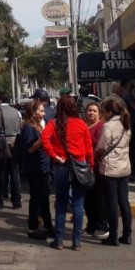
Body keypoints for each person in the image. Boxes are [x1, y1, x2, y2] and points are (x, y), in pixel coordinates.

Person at [41, 94, 94, 251]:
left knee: (61, 203)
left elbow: (44, 140)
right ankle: (76, 241)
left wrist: (55, 155)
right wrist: (90, 165)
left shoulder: (53, 123)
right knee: (78, 203)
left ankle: (59, 240)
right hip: (79, 165)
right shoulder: (81, 124)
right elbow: (88, 147)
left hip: (62, 165)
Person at [97, 98, 132, 246]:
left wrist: (96, 156)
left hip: (110, 169)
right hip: (124, 167)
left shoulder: (108, 126)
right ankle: (127, 234)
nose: (101, 114)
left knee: (111, 203)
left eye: (103, 112)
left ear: (109, 112)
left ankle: (113, 236)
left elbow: (102, 147)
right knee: (124, 202)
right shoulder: (126, 124)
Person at [20, 99, 54, 240]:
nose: (43, 114)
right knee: (36, 198)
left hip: (43, 167)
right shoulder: (29, 127)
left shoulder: (39, 125)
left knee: (44, 197)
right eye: (40, 111)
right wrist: (43, 139)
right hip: (36, 168)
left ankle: (47, 225)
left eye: (43, 111)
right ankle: (33, 228)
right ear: (32, 113)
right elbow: (30, 148)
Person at [0, 92, 23, 209]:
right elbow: (19, 129)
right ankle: (16, 202)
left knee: (0, 174)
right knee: (14, 174)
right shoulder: (17, 112)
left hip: (0, 145)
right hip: (15, 145)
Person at [83, 100, 108, 239]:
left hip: (97, 167)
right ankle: (91, 225)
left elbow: (100, 147)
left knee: (100, 198)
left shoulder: (101, 127)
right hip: (84, 167)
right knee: (88, 198)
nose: (91, 113)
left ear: (99, 114)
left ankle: (102, 225)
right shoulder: (83, 125)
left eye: (94, 111)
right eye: (89, 110)